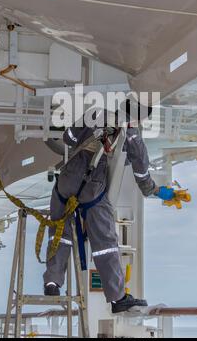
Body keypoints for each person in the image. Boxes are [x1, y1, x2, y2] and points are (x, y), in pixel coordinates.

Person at [43, 104, 174, 313]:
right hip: (92, 188)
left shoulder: (95, 113)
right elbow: (141, 174)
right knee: (106, 242)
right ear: (139, 118)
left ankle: (52, 283)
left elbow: (68, 138)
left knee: (59, 234)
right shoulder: (131, 134)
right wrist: (157, 191)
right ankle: (117, 298)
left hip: (66, 182)